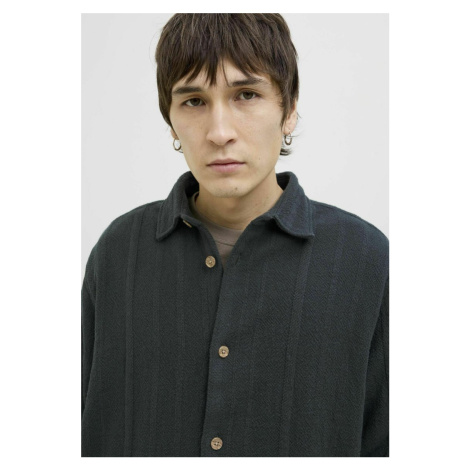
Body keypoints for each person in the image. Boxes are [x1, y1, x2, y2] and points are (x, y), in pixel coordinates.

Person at [81, 13, 389, 457]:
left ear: (289, 108)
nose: (219, 133)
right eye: (193, 101)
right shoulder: (118, 253)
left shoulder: (365, 261)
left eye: (246, 95)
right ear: (170, 120)